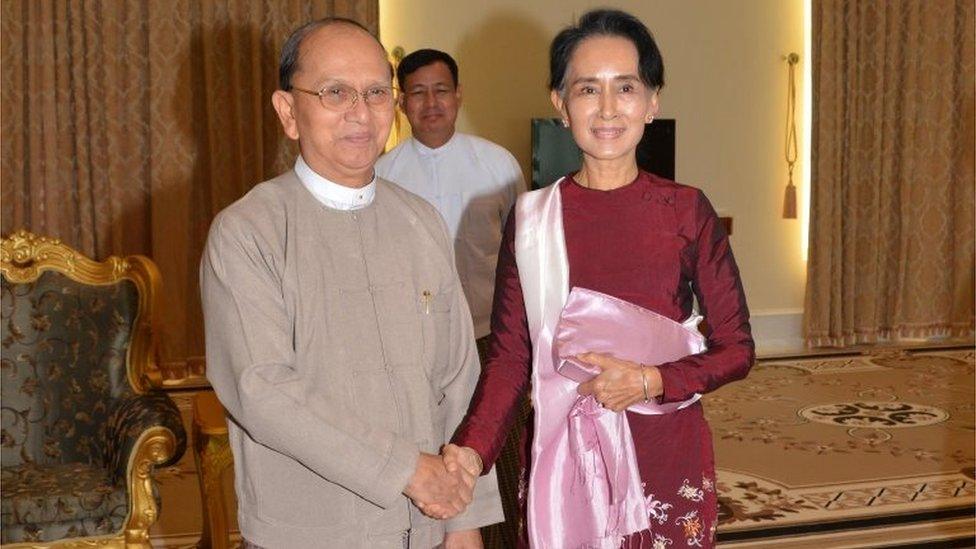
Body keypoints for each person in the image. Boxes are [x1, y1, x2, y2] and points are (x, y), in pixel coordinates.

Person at [444, 9, 754, 548]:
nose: (608, 108)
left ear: (652, 101)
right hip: (565, 456)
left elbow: (737, 348)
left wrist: (649, 381)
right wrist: (471, 451)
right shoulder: (532, 218)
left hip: (664, 444)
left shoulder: (685, 211)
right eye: (588, 89)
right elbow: (512, 358)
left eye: (626, 87)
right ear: (561, 104)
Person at [200, 18, 501, 549]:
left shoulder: (421, 221)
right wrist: (407, 469)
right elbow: (263, 389)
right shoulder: (248, 231)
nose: (360, 113)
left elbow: (459, 378)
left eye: (376, 92)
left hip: (428, 526)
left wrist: (466, 522)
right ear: (288, 112)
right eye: (335, 92)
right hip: (310, 529)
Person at [376, 48, 525, 348]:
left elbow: (522, 248)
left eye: (441, 90)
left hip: (489, 330)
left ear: (458, 95)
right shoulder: (381, 175)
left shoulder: (498, 164)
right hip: (412, 334)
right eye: (418, 93)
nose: (431, 103)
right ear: (402, 103)